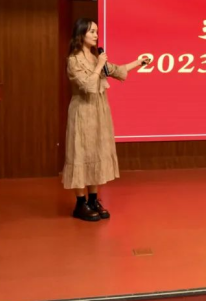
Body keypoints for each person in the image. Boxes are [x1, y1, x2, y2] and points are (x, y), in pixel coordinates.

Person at [63, 17, 150, 221]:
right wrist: (99, 65)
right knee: (80, 153)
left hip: (99, 111)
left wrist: (139, 62)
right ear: (81, 34)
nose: (96, 35)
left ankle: (93, 199)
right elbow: (87, 85)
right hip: (82, 111)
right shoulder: (73, 60)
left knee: (95, 151)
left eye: (96, 31)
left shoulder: (96, 58)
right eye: (92, 31)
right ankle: (80, 203)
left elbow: (117, 70)